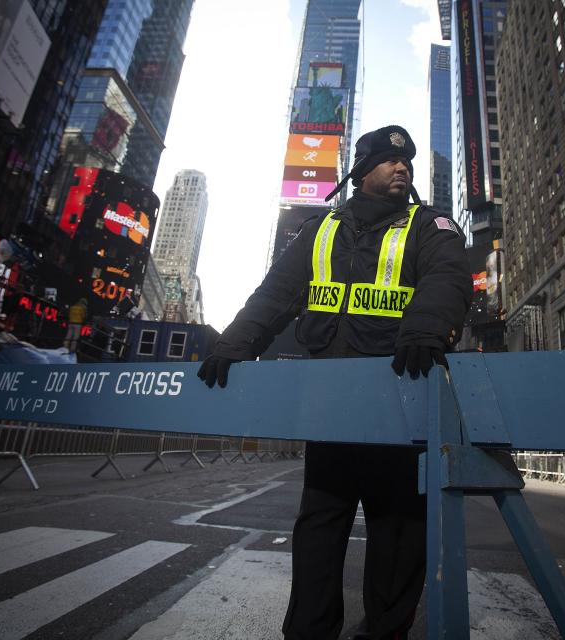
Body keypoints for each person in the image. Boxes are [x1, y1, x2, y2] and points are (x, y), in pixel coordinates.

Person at [197, 125, 472, 640]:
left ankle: (385, 634)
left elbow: (448, 278)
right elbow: (274, 294)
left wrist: (427, 326)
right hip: (330, 409)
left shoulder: (429, 224)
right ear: (361, 170)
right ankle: (308, 632)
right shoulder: (320, 229)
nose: (402, 167)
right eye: (390, 160)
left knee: (398, 531)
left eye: (407, 162)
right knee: (319, 527)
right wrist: (235, 343)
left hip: (400, 400)